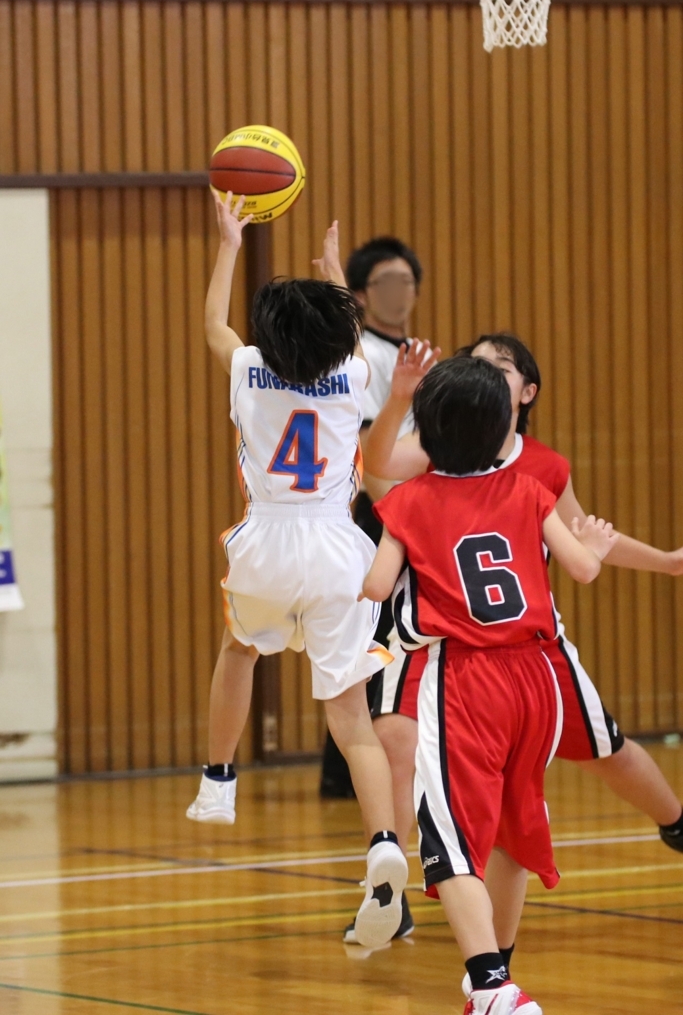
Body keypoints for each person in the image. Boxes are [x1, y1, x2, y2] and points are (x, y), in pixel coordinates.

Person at [360, 332, 683, 953]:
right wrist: (398, 399)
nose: (484, 370)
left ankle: (484, 957)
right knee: (408, 751)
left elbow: (584, 534)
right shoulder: (463, 468)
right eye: (475, 361)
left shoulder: (534, 471)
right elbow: (588, 553)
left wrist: (664, 562)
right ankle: (400, 892)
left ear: (525, 392)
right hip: (492, 661)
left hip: (507, 656)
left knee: (598, 752)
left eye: (499, 365)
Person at [185, 191, 407, 949]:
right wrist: (336, 277)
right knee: (351, 720)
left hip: (269, 544)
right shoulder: (352, 376)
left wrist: (228, 243)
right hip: (339, 549)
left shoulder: (248, 369)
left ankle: (218, 780)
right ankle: (382, 843)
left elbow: (212, 324)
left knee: (240, 650)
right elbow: (342, 335)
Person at [319, 236, 428, 803]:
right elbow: (366, 450)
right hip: (377, 513)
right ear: (361, 294)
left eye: (406, 282)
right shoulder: (361, 355)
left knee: (387, 638)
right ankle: (345, 771)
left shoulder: (412, 350)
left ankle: (380, 760)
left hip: (411, 513)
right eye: (386, 283)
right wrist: (404, 514)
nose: (398, 293)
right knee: (367, 639)